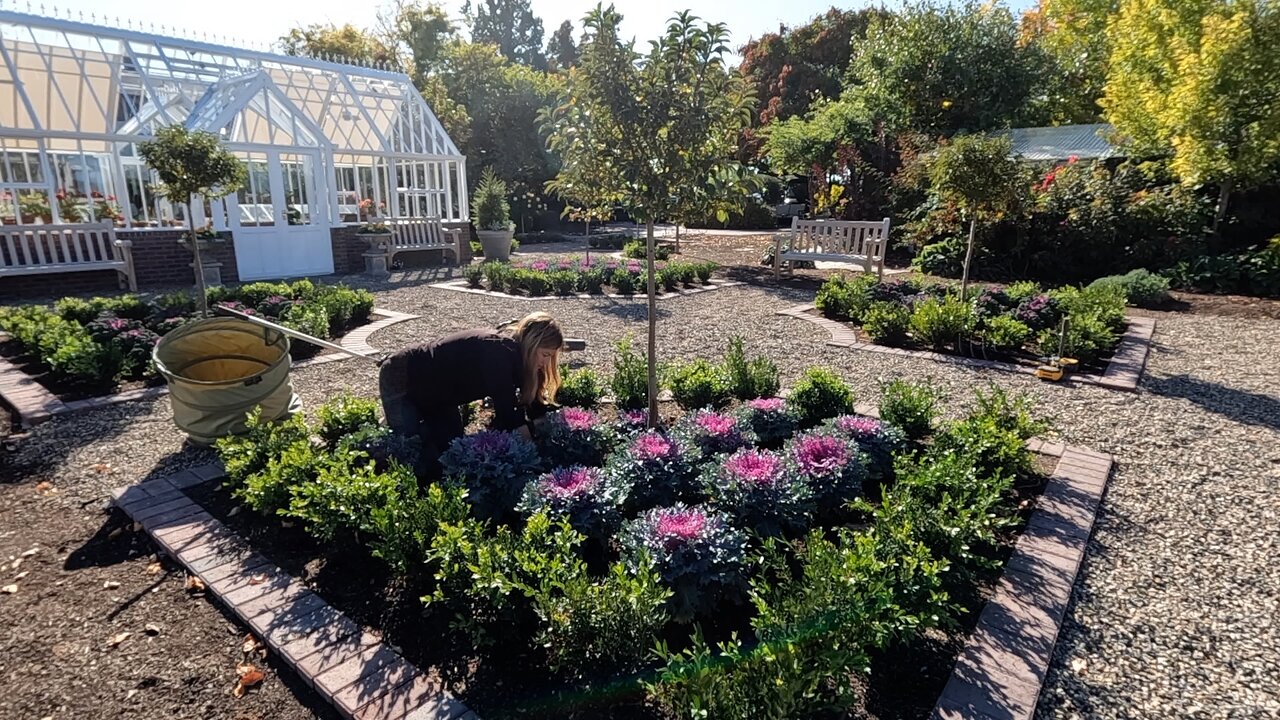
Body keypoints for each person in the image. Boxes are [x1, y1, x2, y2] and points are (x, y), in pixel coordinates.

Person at [378, 311, 565, 478]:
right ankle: (372, 450)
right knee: (409, 448)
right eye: (545, 355)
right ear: (532, 344)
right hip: (402, 377)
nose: (546, 362)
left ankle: (395, 424)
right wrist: (537, 461)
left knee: (449, 453)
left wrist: (546, 427)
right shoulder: (499, 352)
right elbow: (509, 415)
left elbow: (535, 406)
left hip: (439, 398)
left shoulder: (524, 360)